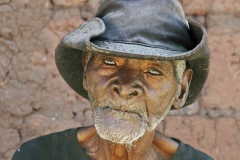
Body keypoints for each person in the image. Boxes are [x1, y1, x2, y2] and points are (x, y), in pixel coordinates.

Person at [12, 0, 213, 159]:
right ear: (85, 70)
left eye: (153, 72)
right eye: (109, 61)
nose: (125, 87)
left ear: (181, 89)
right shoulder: (39, 155)